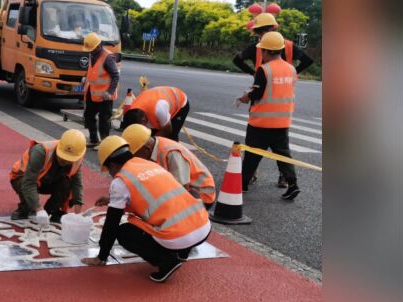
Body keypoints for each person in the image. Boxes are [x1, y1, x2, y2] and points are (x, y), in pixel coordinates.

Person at [81, 136, 211, 283]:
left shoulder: (121, 181)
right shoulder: (148, 164)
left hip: (179, 236)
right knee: (171, 214)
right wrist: (113, 200)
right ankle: (182, 253)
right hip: (202, 226)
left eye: (108, 170)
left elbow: (112, 223)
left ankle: (167, 262)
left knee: (124, 232)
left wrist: (101, 257)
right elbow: (153, 196)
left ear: (112, 165)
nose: (110, 174)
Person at [233, 12, 314, 188]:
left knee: (257, 145)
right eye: (259, 31)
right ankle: (267, 176)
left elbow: (237, 60)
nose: (260, 34)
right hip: (272, 103)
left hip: (267, 104)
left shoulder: (260, 46)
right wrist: (292, 72)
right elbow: (307, 60)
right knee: (278, 147)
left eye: (262, 30)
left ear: (272, 28)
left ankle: (254, 177)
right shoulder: (285, 46)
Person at [236, 32, 300, 201]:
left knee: (252, 155)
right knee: (283, 155)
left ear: (265, 51)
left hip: (261, 122)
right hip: (282, 122)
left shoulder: (264, 70)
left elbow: (257, 94)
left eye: (262, 51)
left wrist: (245, 97)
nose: (261, 54)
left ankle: (242, 185)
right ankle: (292, 184)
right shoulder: (291, 69)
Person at [122, 124, 216, 209]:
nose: (134, 159)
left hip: (201, 194)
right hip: (181, 187)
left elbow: (181, 188)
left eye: (135, 155)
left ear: (147, 149)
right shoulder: (152, 146)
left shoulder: (172, 153)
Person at [9, 129, 87, 224]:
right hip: (23, 178)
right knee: (29, 199)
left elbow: (76, 183)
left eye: (69, 159)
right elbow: (28, 182)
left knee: (66, 184)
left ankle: (51, 210)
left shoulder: (77, 156)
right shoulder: (41, 151)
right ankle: (24, 209)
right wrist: (38, 209)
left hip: (49, 180)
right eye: (63, 157)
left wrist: (78, 210)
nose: (65, 161)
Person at [83, 32, 120, 148]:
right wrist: (85, 77)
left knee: (104, 119)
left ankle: (104, 144)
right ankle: (93, 139)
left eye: (92, 49)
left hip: (105, 95)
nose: (90, 52)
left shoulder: (107, 57)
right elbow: (92, 70)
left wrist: (109, 92)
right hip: (92, 92)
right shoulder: (92, 54)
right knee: (88, 115)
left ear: (98, 46)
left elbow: (115, 76)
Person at [121, 86, 189, 141]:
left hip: (180, 102)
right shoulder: (132, 109)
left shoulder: (159, 109)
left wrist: (152, 141)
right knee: (150, 135)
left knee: (171, 136)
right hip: (158, 98)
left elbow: (167, 129)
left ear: (143, 120)